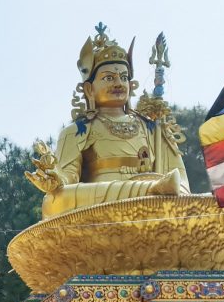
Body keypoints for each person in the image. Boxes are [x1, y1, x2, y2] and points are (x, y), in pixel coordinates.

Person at [26, 24, 188, 219]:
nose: (119, 83)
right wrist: (55, 178)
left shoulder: (153, 128)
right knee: (55, 200)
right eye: (109, 78)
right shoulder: (77, 130)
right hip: (100, 204)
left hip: (155, 206)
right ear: (89, 90)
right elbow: (67, 179)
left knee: (190, 197)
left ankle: (151, 192)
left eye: (123, 77)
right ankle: (149, 191)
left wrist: (178, 192)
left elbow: (181, 183)